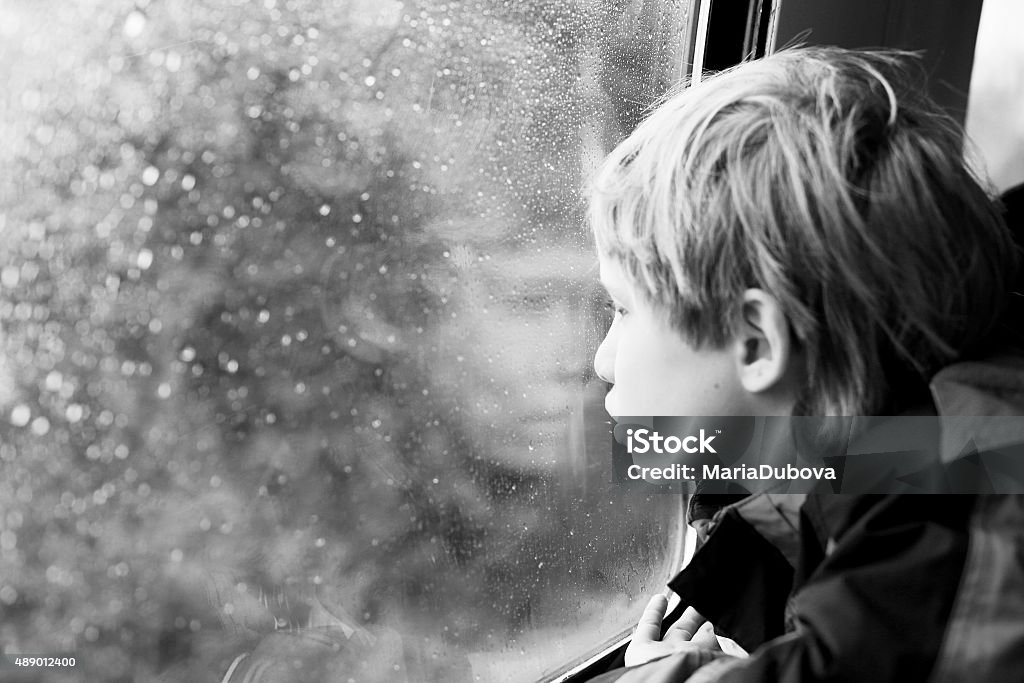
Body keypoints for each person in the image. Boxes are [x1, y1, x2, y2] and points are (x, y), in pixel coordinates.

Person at [585, 46, 1024, 681]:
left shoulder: (953, 520)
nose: (602, 362)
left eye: (622, 310)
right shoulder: (886, 461)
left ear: (757, 342)